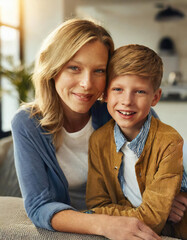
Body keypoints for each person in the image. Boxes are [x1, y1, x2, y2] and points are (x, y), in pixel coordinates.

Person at [11, 19, 161, 240]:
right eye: (74, 68)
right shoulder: (27, 123)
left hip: (130, 219)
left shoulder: (121, 110)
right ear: (52, 67)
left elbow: (166, 160)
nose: (87, 83)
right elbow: (39, 206)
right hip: (84, 228)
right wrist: (105, 225)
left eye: (99, 71)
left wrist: (175, 193)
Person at [86, 44, 186, 238]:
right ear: (105, 94)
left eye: (139, 92)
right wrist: (140, 212)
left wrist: (101, 216)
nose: (127, 101)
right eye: (118, 89)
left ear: (155, 97)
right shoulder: (98, 141)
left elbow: (153, 220)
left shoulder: (169, 142)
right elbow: (95, 204)